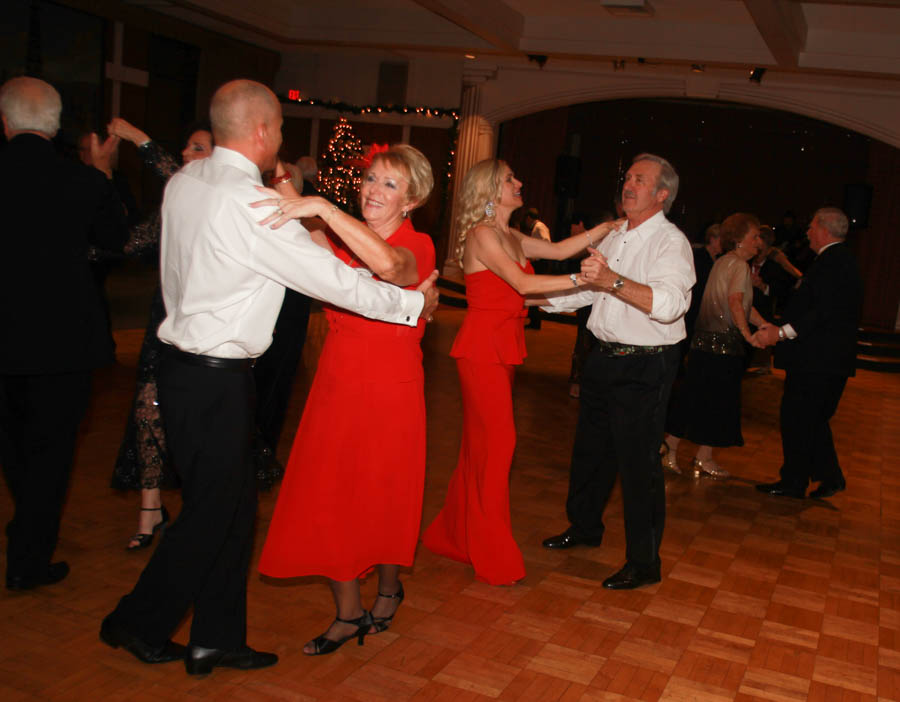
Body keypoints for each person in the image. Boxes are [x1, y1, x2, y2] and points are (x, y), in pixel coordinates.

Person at [100, 80, 439, 675]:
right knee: (213, 514)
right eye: (280, 128)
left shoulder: (187, 181)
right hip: (215, 377)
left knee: (231, 512)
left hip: (182, 369)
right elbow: (336, 281)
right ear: (261, 132)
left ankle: (216, 636)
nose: (280, 140)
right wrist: (413, 307)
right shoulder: (250, 205)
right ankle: (135, 621)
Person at [255, 144, 435, 654]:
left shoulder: (418, 244)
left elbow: (395, 269)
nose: (373, 191)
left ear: (412, 199)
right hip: (337, 385)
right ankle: (348, 612)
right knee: (330, 496)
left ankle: (388, 587)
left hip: (390, 391)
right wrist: (275, 168)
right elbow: (297, 215)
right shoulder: (340, 241)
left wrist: (324, 207)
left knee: (382, 496)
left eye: (389, 185)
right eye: (371, 179)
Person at [423, 158, 619, 586]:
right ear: (491, 190)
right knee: (498, 446)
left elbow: (560, 250)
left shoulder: (510, 236)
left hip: (502, 350)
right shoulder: (481, 235)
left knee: (481, 448)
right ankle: (491, 553)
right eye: (510, 179)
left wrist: (607, 228)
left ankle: (454, 535)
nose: (520, 182)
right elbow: (525, 286)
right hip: (481, 352)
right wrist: (588, 280)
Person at [541, 153, 694, 591]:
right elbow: (586, 289)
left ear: (662, 194)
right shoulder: (616, 234)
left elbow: (669, 306)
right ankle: (585, 527)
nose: (629, 185)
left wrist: (612, 281)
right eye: (627, 177)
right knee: (591, 451)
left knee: (638, 464)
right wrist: (530, 301)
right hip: (603, 357)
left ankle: (644, 562)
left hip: (646, 365)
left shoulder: (671, 243)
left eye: (640, 180)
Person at [0, 77, 127, 590]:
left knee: (12, 446)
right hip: (64, 344)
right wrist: (103, 174)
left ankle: (26, 531)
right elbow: (117, 240)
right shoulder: (82, 180)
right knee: (51, 454)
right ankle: (29, 557)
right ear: (54, 127)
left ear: (5, 122)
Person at [106, 117, 214, 550]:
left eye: (198, 148)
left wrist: (142, 139)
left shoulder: (218, 200)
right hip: (161, 321)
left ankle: (199, 511)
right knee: (148, 411)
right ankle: (150, 510)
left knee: (194, 422)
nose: (188, 155)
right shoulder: (173, 205)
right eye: (186, 147)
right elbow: (127, 245)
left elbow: (176, 174)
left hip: (204, 328)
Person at [754, 207, 862, 499]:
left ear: (825, 230)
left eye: (812, 226)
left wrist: (781, 333)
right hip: (826, 359)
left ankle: (794, 481)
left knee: (798, 418)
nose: (807, 232)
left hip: (818, 360)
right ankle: (830, 476)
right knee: (811, 419)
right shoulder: (839, 260)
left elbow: (820, 312)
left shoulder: (832, 262)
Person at [662, 213, 766, 478]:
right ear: (740, 239)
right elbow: (734, 303)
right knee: (712, 404)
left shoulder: (723, 262)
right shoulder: (740, 266)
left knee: (700, 400)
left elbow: (743, 305)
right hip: (722, 348)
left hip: (704, 345)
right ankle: (674, 450)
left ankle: (696, 456)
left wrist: (763, 324)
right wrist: (748, 335)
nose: (759, 242)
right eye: (755, 236)